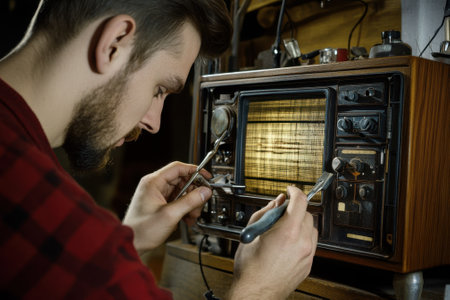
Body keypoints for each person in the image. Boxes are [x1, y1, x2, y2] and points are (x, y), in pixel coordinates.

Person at [0, 0, 318, 299]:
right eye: (160, 89)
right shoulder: (33, 199)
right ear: (114, 43)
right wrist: (259, 289)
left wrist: (131, 239)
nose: (154, 123)